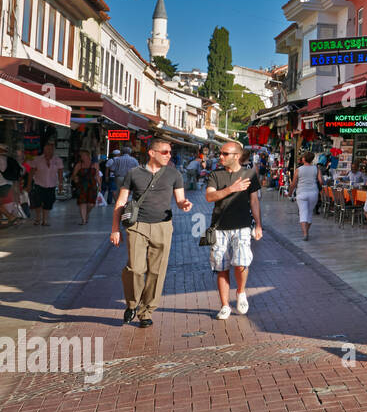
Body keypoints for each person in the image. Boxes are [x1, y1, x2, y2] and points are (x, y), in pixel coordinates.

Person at [111, 139, 192, 328]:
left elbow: (179, 199)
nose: (168, 155)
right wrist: (115, 229)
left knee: (157, 272)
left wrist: (184, 204)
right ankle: (132, 304)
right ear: (152, 153)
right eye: (164, 152)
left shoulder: (174, 174)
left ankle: (146, 312)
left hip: (163, 227)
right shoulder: (134, 173)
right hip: (137, 225)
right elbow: (121, 202)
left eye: (170, 152)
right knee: (135, 269)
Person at [206, 143, 262, 320]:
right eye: (220, 153)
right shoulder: (216, 174)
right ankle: (224, 305)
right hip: (219, 227)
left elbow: (254, 201)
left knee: (241, 262)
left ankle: (241, 291)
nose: (220, 156)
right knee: (221, 267)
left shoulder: (249, 174)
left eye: (224, 153)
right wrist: (231, 189)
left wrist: (259, 224)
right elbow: (209, 197)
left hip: (242, 225)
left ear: (236, 156)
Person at [29, 140, 63, 226]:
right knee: (38, 202)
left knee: (49, 202)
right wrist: (29, 184)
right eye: (47, 149)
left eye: (51, 149)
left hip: (51, 185)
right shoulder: (37, 159)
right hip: (39, 184)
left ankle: (45, 220)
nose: (49, 151)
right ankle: (38, 218)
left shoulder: (57, 160)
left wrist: (60, 184)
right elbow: (31, 172)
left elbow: (60, 173)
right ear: (44, 150)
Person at [291, 151, 320, 240]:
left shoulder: (299, 170)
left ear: (304, 159)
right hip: (313, 193)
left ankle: (305, 233)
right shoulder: (316, 169)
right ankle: (306, 231)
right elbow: (321, 181)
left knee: (303, 213)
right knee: (310, 213)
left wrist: (289, 193)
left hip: (301, 193)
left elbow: (294, 184)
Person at [71, 149, 101, 225]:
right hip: (81, 186)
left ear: (88, 156)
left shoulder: (95, 164)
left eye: (84, 155)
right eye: (81, 156)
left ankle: (86, 213)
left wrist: (99, 185)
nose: (82, 157)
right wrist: (75, 179)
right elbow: (74, 175)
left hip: (92, 185)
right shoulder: (79, 165)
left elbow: (97, 175)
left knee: (91, 204)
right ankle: (83, 220)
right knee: (82, 203)